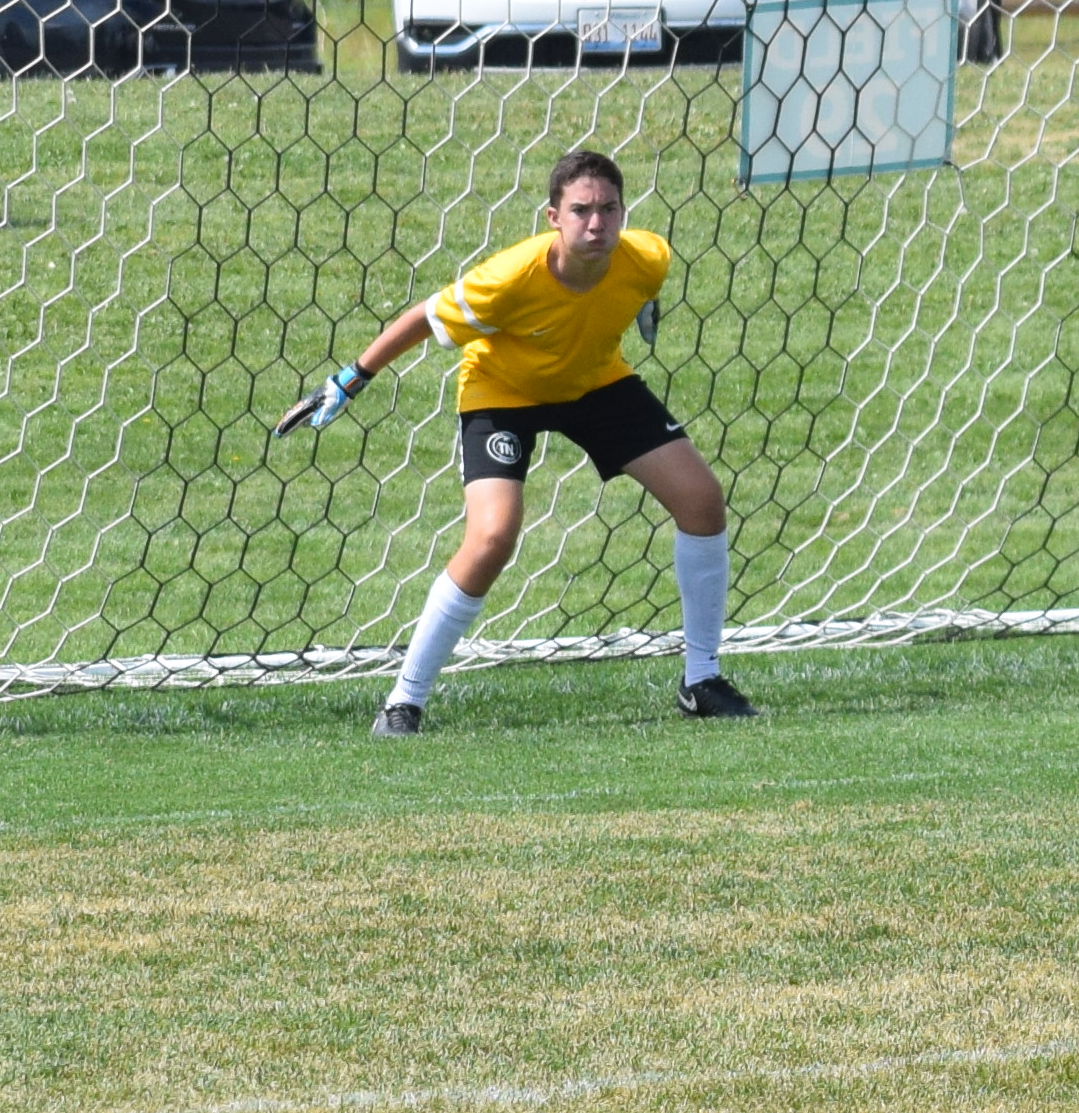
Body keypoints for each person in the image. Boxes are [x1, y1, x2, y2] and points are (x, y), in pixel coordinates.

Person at [275, 149, 752, 732]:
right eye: (581, 210)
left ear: (624, 212)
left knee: (702, 501)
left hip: (596, 383)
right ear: (553, 217)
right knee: (493, 536)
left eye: (609, 209)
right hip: (503, 393)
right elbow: (422, 318)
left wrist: (643, 306)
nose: (596, 223)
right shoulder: (508, 278)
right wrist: (350, 380)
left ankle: (701, 680)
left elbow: (643, 284)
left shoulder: (647, 257)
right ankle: (403, 702)